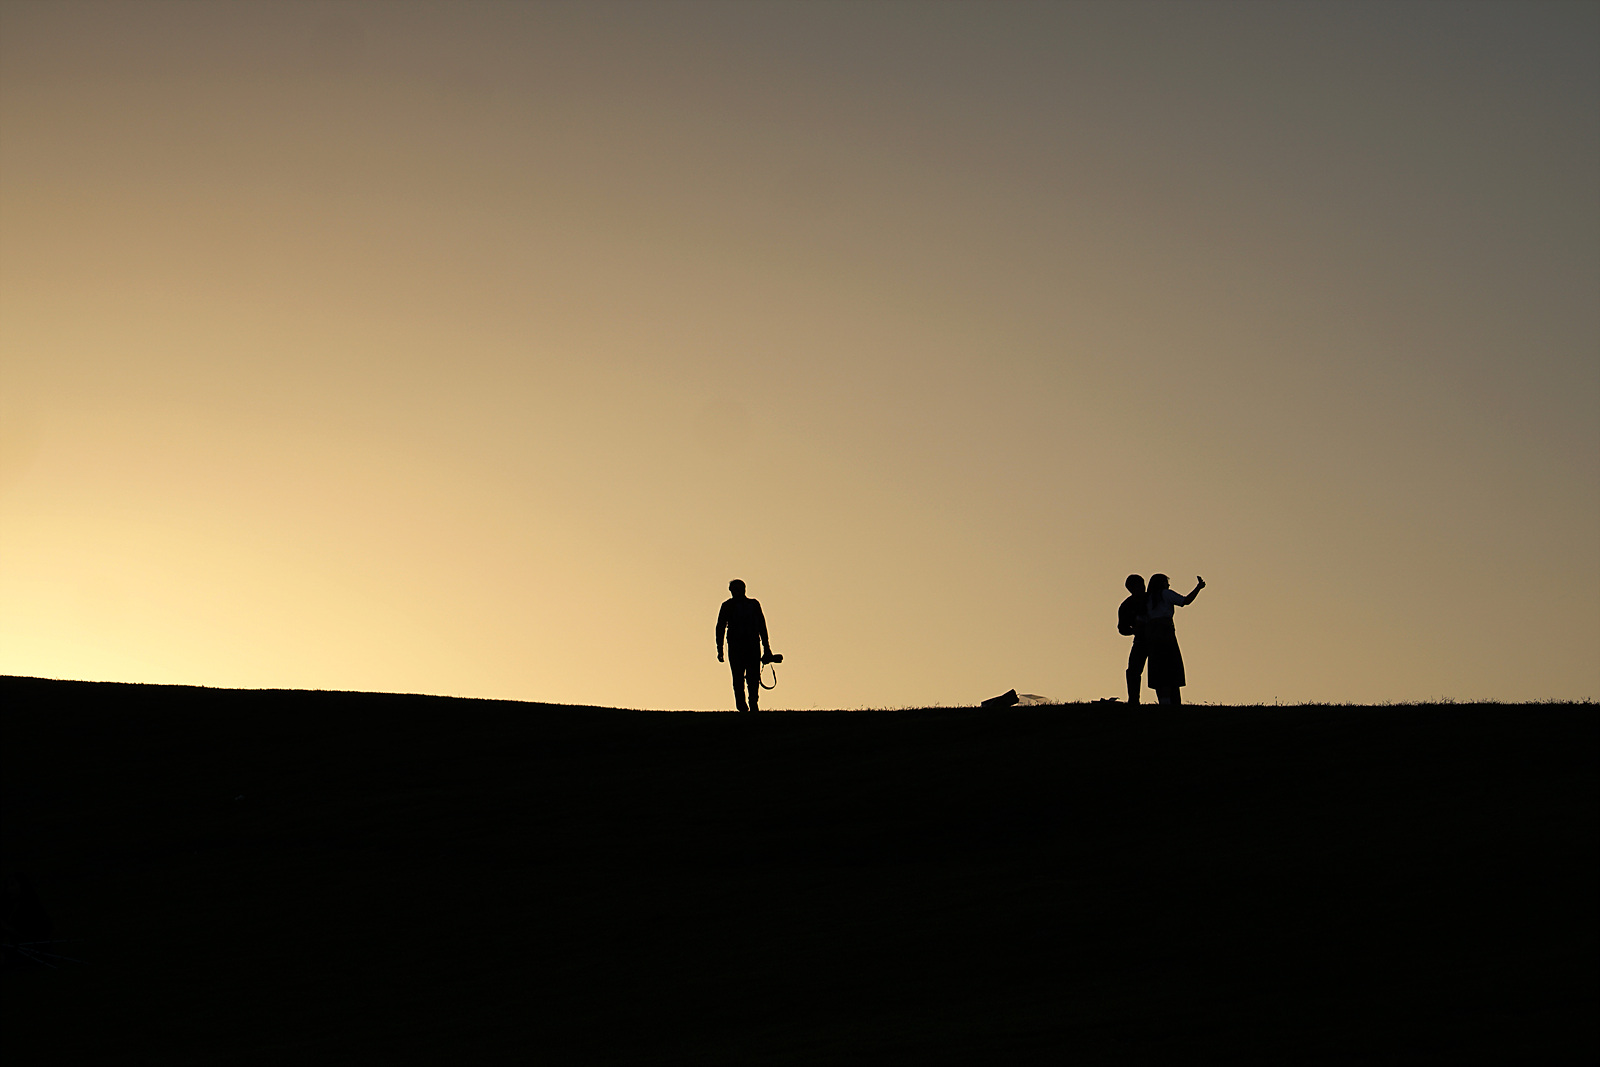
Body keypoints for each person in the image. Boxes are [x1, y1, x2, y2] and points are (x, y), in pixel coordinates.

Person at [1145, 573, 1205, 705]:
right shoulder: (1166, 594)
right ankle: (1172, 702)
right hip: (1166, 634)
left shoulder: (1147, 598)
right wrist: (1198, 588)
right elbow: (1185, 601)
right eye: (1166, 582)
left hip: (1152, 635)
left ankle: (1164, 701)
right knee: (1170, 667)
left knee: (1158, 668)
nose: (1168, 585)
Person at [716, 579, 773, 712]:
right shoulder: (727, 606)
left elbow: (762, 627)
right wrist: (720, 649)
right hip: (736, 647)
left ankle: (753, 702)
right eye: (734, 589)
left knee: (753, 676)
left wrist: (767, 648)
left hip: (752, 645)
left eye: (738, 589)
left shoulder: (753, 604)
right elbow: (720, 628)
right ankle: (741, 705)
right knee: (738, 677)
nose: (736, 592)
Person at [1117, 574, 1149, 705]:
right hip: (1141, 640)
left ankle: (1168, 701)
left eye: (1142, 585)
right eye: (1138, 586)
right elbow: (1122, 628)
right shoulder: (1126, 605)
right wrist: (1134, 630)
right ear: (1130, 589)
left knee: (1161, 669)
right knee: (1133, 671)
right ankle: (1134, 700)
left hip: (1156, 639)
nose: (1142, 588)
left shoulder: (1151, 598)